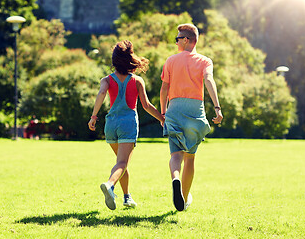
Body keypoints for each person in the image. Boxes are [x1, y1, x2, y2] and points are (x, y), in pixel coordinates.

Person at [88, 40, 164, 210]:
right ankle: (109, 185)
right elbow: (146, 106)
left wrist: (93, 117)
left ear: (114, 61)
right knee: (122, 163)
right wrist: (162, 118)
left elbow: (101, 94)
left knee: (121, 163)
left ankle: (127, 197)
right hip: (127, 124)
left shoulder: (106, 80)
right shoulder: (137, 81)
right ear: (130, 60)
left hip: (110, 124)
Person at [160, 24, 223, 211]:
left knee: (175, 154)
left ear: (186, 40)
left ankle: (175, 179)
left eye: (178, 38)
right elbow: (209, 81)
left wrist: (163, 113)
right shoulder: (205, 61)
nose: (176, 41)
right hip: (195, 110)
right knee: (190, 157)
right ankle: (184, 198)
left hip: (174, 109)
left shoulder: (170, 61)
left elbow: (164, 89)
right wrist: (217, 108)